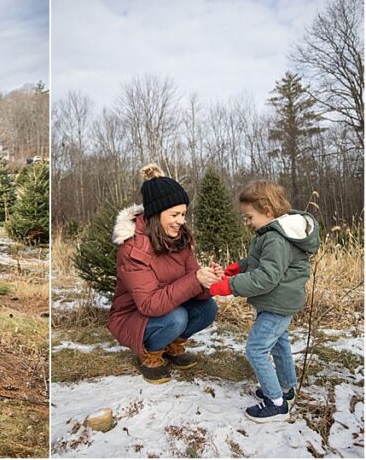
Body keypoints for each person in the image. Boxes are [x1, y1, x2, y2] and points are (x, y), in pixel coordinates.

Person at [208, 180, 319, 422]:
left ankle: (276, 402)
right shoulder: (272, 233)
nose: (246, 222)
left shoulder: (275, 238)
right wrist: (237, 268)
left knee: (256, 349)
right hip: (278, 302)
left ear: (267, 209)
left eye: (249, 217)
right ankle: (287, 389)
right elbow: (261, 262)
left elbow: (267, 277)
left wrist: (228, 286)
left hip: (277, 303)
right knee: (279, 343)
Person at [108, 164, 222, 384]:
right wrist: (194, 280)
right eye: (175, 214)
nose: (182, 220)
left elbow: (192, 284)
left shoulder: (180, 240)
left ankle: (171, 344)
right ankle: (150, 352)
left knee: (207, 308)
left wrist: (206, 281)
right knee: (176, 318)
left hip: (168, 307)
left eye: (184, 214)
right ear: (156, 214)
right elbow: (150, 305)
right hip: (133, 316)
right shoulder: (133, 249)